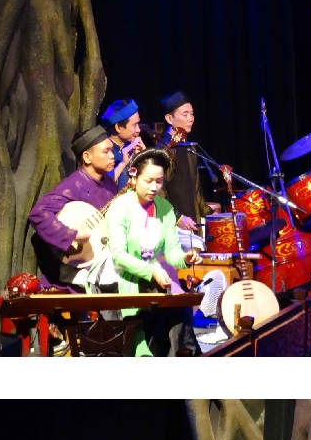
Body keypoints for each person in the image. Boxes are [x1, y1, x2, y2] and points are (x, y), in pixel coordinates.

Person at [96, 148, 203, 356]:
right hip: (118, 276)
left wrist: (185, 257)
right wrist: (151, 271)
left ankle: (182, 355)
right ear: (133, 176)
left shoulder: (165, 208)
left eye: (159, 181)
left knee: (177, 309)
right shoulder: (120, 207)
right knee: (158, 311)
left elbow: (171, 251)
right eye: (148, 181)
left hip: (152, 275)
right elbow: (119, 254)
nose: (154, 187)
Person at [28, 125, 117, 290]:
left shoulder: (109, 184)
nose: (112, 156)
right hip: (76, 264)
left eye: (112, 150)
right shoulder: (73, 185)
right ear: (87, 157)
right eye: (106, 151)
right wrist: (71, 235)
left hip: (103, 255)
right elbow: (38, 213)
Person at [157, 91, 221, 236]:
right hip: (173, 227)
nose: (190, 119)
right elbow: (158, 193)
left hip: (193, 223)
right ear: (169, 118)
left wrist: (209, 213)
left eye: (192, 114)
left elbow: (195, 189)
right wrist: (177, 217)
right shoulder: (163, 150)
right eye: (185, 115)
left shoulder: (189, 147)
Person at [100, 99, 146, 189]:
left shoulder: (133, 148)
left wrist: (143, 156)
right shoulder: (103, 152)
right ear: (118, 127)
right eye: (134, 125)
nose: (138, 130)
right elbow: (102, 186)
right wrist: (122, 164)